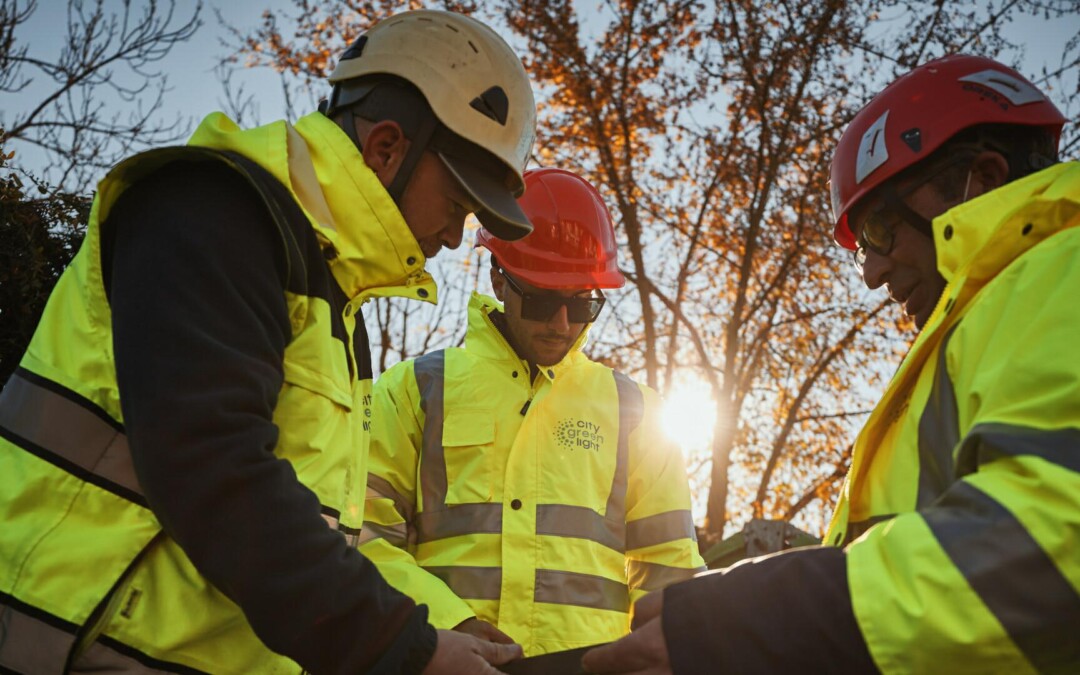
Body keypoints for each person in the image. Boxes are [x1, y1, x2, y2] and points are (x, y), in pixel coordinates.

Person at [0, 9, 536, 674]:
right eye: (457, 203)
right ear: (387, 147)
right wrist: (409, 650)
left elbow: (319, 534)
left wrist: (432, 626)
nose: (456, 237)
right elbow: (214, 469)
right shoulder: (211, 211)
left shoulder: (335, 308)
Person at [581, 54, 1080, 674]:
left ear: (981, 176)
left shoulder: (1063, 270)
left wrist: (775, 617)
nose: (870, 274)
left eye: (879, 228)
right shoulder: (986, 322)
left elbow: (1056, 534)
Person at [359, 167, 706, 657]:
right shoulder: (415, 391)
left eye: (582, 303)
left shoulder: (636, 411)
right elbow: (365, 536)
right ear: (499, 278)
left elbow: (670, 566)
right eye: (543, 300)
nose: (562, 324)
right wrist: (445, 623)